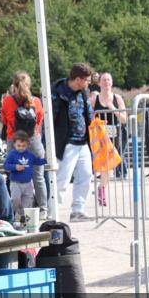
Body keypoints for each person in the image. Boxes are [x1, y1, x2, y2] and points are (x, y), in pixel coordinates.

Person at [51, 62, 96, 222]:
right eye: (87, 80)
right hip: (66, 142)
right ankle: (53, 213)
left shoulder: (83, 93)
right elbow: (50, 120)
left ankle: (78, 210)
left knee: (85, 175)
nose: (88, 83)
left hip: (83, 141)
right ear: (78, 79)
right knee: (62, 179)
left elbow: (88, 114)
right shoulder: (56, 93)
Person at [1, 71, 47, 212]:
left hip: (14, 142)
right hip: (33, 141)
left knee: (16, 177)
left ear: (14, 85)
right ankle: (43, 209)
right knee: (38, 177)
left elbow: (4, 120)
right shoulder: (37, 101)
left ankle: (19, 212)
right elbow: (39, 121)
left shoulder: (8, 101)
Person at [90, 72, 129, 201]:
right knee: (104, 164)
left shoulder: (117, 98)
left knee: (109, 164)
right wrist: (98, 122)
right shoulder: (94, 99)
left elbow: (124, 119)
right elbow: (88, 118)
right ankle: (102, 190)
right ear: (99, 83)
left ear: (111, 83)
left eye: (109, 80)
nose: (107, 82)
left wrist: (112, 108)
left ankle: (102, 188)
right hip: (100, 135)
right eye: (104, 80)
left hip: (115, 135)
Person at [4, 130, 46, 222]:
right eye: (18, 146)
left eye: (23, 146)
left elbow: (37, 162)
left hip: (28, 183)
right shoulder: (12, 154)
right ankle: (14, 214)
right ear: (14, 144)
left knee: (28, 202)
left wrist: (46, 160)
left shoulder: (29, 155)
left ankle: (25, 219)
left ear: (27, 145)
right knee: (15, 199)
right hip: (16, 182)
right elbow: (6, 165)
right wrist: (15, 167)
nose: (21, 148)